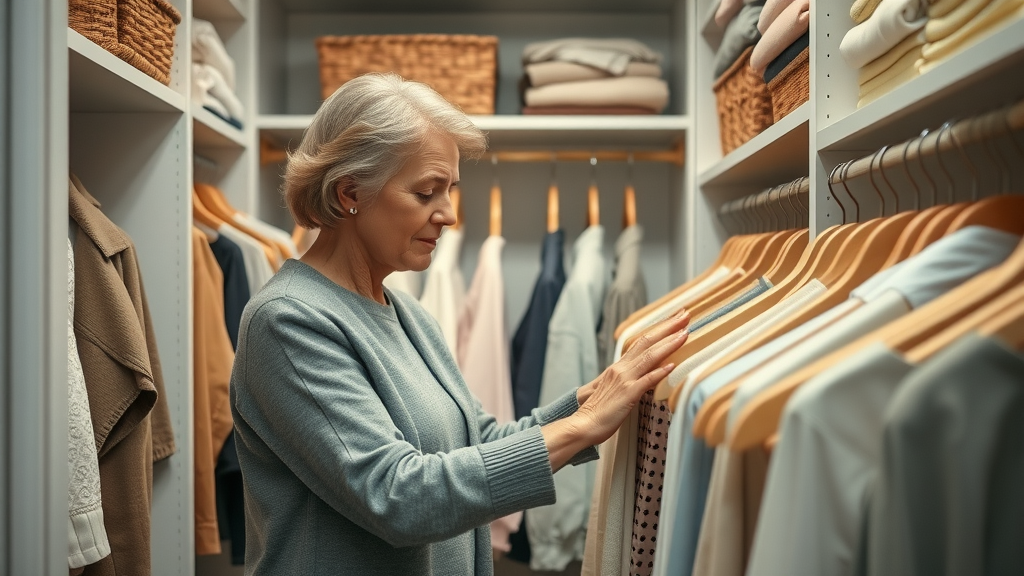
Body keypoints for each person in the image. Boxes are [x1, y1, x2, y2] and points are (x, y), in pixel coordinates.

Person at [229, 72, 689, 576]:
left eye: (449, 189)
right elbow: (396, 496)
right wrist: (580, 429)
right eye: (427, 192)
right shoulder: (289, 322)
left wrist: (590, 401)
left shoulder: (408, 315)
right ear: (349, 193)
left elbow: (477, 438)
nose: (448, 215)